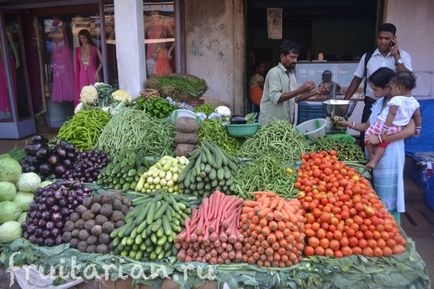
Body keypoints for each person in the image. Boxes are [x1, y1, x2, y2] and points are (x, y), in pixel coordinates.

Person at [339, 67, 417, 224]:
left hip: (391, 155)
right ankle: (379, 226)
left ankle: (392, 230)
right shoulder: (379, 103)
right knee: (376, 197)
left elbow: (411, 130)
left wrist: (381, 138)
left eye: (375, 89)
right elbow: (368, 126)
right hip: (374, 154)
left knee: (388, 195)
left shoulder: (402, 103)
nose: (373, 92)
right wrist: (348, 123)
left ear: (389, 86)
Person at [344, 23, 412, 150]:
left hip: (392, 108)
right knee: (367, 138)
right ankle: (369, 163)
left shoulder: (403, 56)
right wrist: (344, 103)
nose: (383, 41)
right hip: (371, 105)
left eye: (387, 38)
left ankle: (381, 164)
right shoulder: (368, 57)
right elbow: (357, 79)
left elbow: (407, 80)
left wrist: (396, 56)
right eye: (380, 38)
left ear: (394, 39)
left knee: (387, 140)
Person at [258, 40, 328, 124]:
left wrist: (316, 92)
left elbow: (296, 98)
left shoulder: (291, 75)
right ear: (282, 56)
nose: (295, 60)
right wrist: (301, 89)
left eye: (296, 57)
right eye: (292, 57)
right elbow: (276, 98)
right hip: (270, 124)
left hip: (285, 124)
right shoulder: (274, 72)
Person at [364, 71, 421, 169]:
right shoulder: (413, 102)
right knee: (382, 144)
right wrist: (419, 128)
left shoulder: (396, 100)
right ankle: (373, 159)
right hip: (389, 135)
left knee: (368, 136)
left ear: (398, 88)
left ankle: (371, 156)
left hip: (392, 152)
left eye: (391, 88)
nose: (373, 93)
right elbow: (418, 116)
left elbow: (393, 114)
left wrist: (382, 135)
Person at [74, 29, 102, 106]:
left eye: (84, 38)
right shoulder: (77, 50)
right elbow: (76, 66)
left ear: (88, 37)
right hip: (82, 75)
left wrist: (97, 71)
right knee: (84, 95)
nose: (82, 40)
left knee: (95, 94)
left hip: (93, 73)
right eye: (80, 38)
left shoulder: (94, 48)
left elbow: (103, 61)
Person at [51, 19, 75, 102]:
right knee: (60, 76)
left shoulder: (61, 35)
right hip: (59, 58)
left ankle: (67, 94)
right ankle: (63, 94)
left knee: (65, 75)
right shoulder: (57, 35)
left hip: (64, 58)